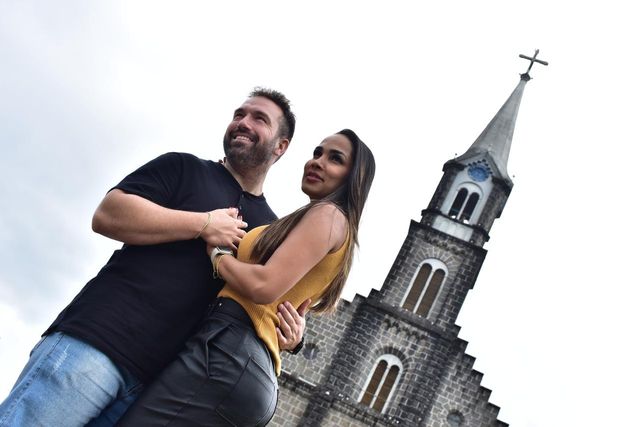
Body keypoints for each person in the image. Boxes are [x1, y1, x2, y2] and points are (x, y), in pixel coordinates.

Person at [0, 88, 308, 426]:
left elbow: (262, 297)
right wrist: (203, 223)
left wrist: (293, 337)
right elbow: (108, 214)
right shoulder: (183, 167)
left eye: (259, 119)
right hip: (97, 344)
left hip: (158, 391)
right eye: (239, 114)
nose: (243, 123)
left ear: (281, 146)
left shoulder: (270, 231)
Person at [117, 129, 376, 426]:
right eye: (317, 153)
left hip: (227, 352)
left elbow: (263, 285)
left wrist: (218, 255)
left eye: (335, 159)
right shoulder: (321, 224)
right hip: (249, 370)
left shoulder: (328, 215)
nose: (317, 161)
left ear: (353, 177)